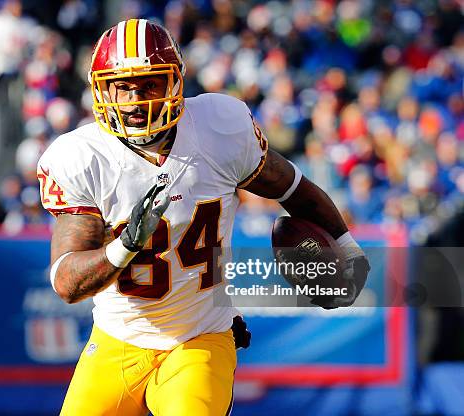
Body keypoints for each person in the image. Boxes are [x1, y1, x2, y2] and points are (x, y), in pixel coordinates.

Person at [37, 19, 370, 416]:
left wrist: (349, 252)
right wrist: (125, 247)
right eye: (122, 86)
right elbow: (67, 282)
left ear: (175, 84)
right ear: (101, 89)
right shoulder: (83, 156)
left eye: (149, 84)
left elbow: (293, 189)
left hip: (198, 337)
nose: (135, 100)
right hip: (117, 338)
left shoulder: (218, 126)